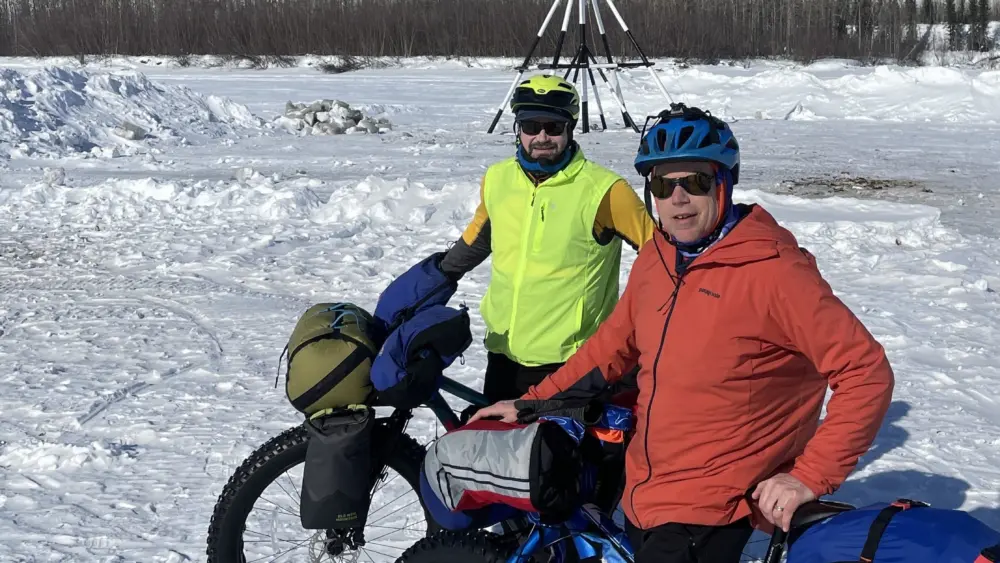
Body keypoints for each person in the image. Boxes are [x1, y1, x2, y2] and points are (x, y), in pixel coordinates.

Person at [470, 103, 895, 563]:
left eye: (695, 182)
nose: (678, 199)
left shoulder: (774, 272)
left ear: (723, 183)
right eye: (661, 184)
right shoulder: (658, 258)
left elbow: (866, 373)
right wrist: (530, 402)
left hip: (712, 506)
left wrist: (809, 475)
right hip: (646, 489)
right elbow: (611, 348)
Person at [432, 74, 655, 403]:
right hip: (503, 353)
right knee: (497, 450)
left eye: (553, 127)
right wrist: (429, 284)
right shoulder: (498, 179)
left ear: (570, 128)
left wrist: (637, 330)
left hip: (571, 363)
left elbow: (660, 256)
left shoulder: (605, 191)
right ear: (517, 129)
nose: (541, 137)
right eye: (531, 126)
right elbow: (478, 239)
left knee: (552, 456)